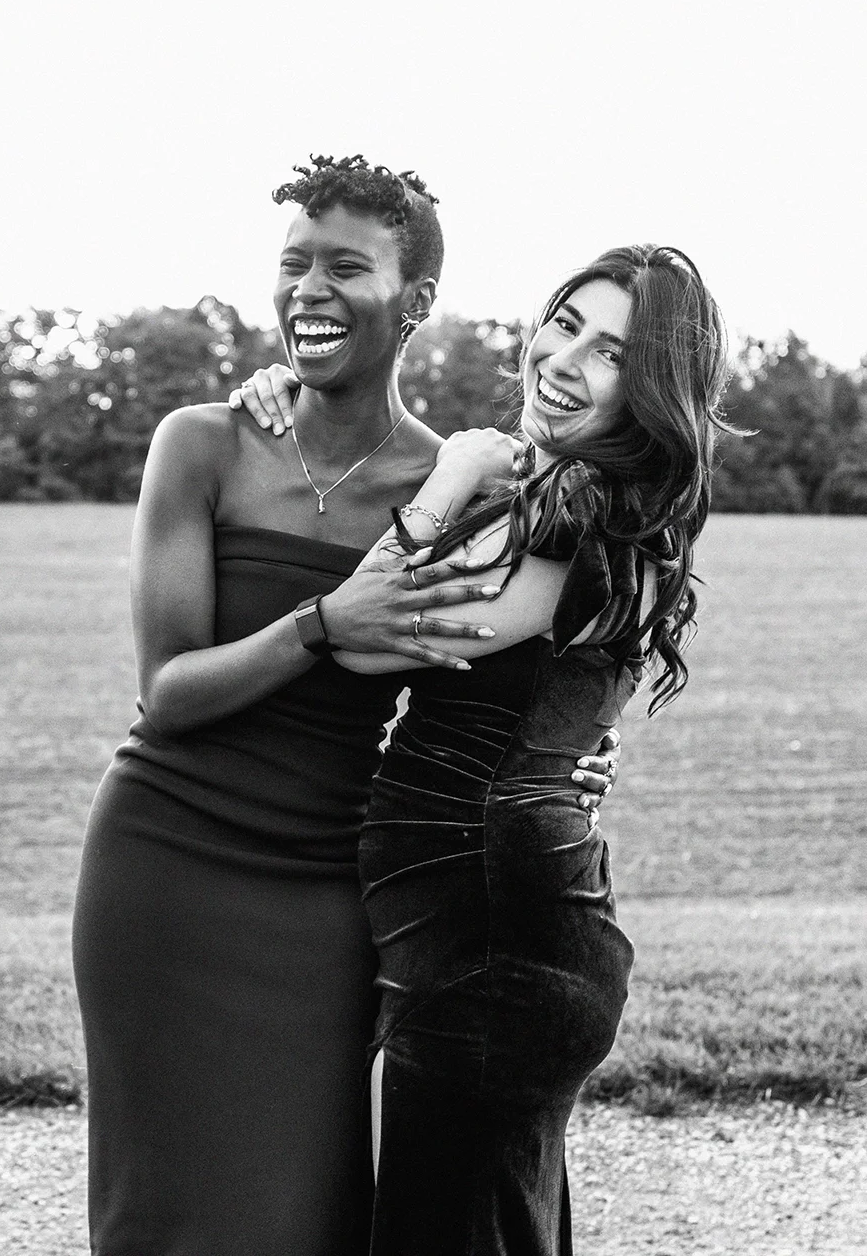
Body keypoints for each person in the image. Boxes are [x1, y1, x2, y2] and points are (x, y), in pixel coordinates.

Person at [71, 155, 617, 1256]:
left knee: (311, 1216)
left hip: (331, 887)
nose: (308, 290)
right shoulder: (203, 443)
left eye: (345, 268)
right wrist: (326, 622)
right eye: (292, 265)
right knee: (161, 1218)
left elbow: (503, 674)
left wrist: (561, 764)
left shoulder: (457, 487)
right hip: (161, 872)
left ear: (414, 300)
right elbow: (167, 694)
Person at [329, 245, 731, 1255]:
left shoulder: (569, 512)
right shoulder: (596, 510)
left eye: (609, 354)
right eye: (564, 323)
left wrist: (451, 472)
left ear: (649, 393)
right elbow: (551, 715)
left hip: (495, 950)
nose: (561, 358)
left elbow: (360, 633)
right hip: (498, 933)